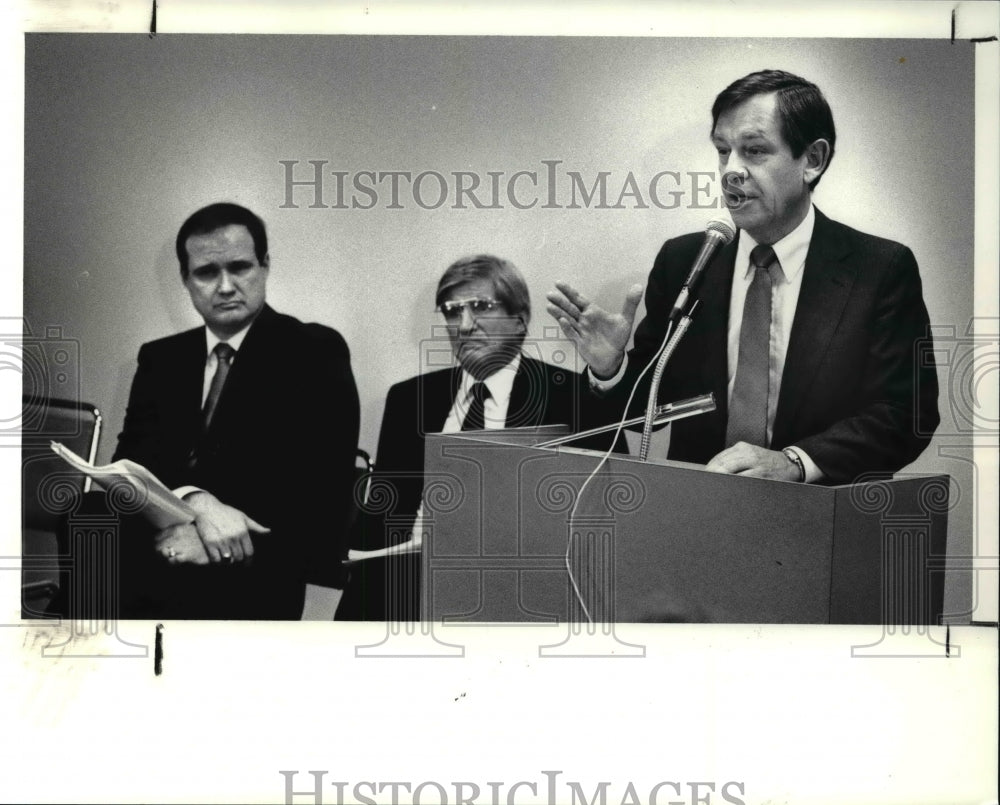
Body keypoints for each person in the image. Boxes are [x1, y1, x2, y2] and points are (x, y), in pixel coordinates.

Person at [547, 69, 939, 485]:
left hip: (821, 521)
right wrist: (611, 370)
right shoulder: (687, 260)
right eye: (722, 151)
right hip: (699, 515)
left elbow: (906, 412)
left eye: (753, 151)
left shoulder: (878, 268)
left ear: (812, 160)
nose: (730, 170)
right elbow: (649, 409)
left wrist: (794, 462)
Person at [106, 202, 359, 619]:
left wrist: (211, 544)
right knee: (90, 525)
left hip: (257, 563)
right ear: (186, 280)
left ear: (264, 267)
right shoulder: (161, 358)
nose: (225, 286)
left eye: (239, 267)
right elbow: (133, 463)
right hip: (163, 546)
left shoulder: (314, 351)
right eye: (207, 272)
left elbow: (321, 486)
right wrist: (197, 504)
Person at [337, 254, 612, 620]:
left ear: (520, 318)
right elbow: (382, 518)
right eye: (452, 311)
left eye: (480, 307)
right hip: (407, 593)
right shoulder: (408, 399)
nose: (464, 325)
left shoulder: (572, 396)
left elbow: (601, 521)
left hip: (517, 598)